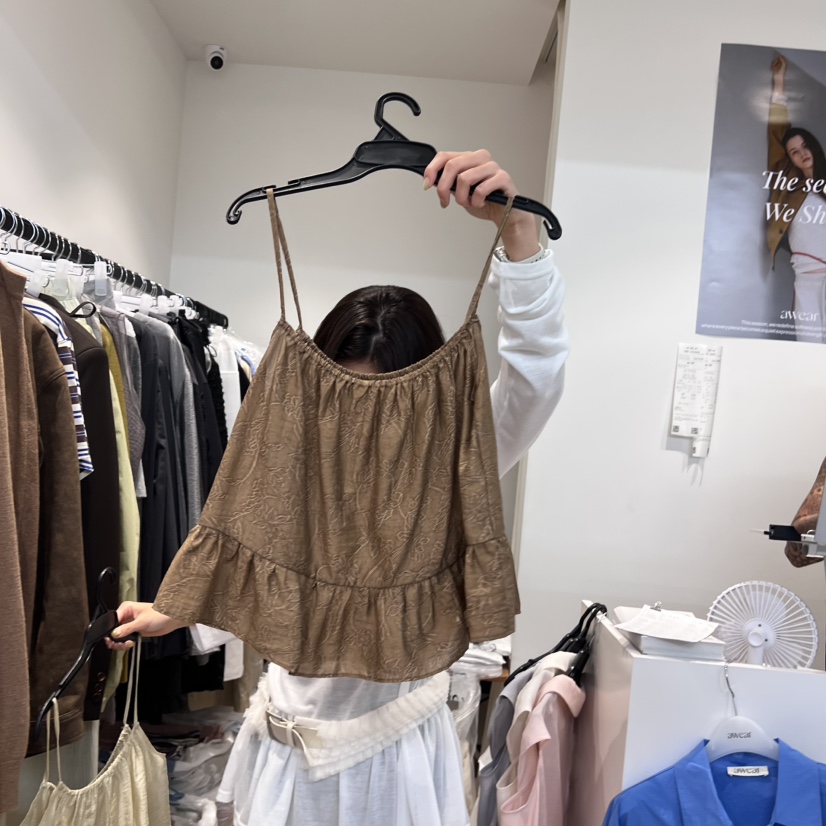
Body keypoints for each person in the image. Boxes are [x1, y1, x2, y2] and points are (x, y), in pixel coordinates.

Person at [107, 149, 569, 825]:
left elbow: (536, 377)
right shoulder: (294, 448)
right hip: (276, 748)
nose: (364, 428)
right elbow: (267, 561)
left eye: (385, 405)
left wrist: (518, 235)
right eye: (347, 400)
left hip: (392, 766)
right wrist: (178, 610)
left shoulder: (458, 450)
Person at [767, 54, 826, 342]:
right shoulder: (789, 184)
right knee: (810, 348)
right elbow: (778, 134)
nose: (802, 153)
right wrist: (779, 82)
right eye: (794, 151)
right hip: (806, 279)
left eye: (805, 146)